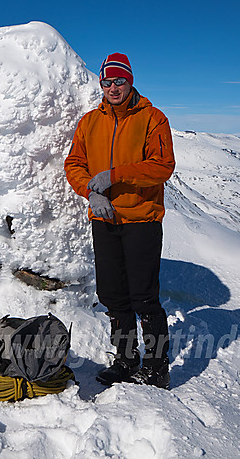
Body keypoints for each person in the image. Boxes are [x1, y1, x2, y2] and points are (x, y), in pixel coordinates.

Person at [64, 52, 176, 388]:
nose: (114, 87)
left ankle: (156, 369)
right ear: (101, 83)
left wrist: (116, 176)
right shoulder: (89, 122)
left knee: (144, 296)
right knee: (113, 295)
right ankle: (126, 360)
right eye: (108, 81)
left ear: (130, 81)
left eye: (120, 80)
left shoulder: (152, 118)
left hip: (141, 219)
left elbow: (162, 166)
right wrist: (91, 193)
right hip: (104, 219)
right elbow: (74, 164)